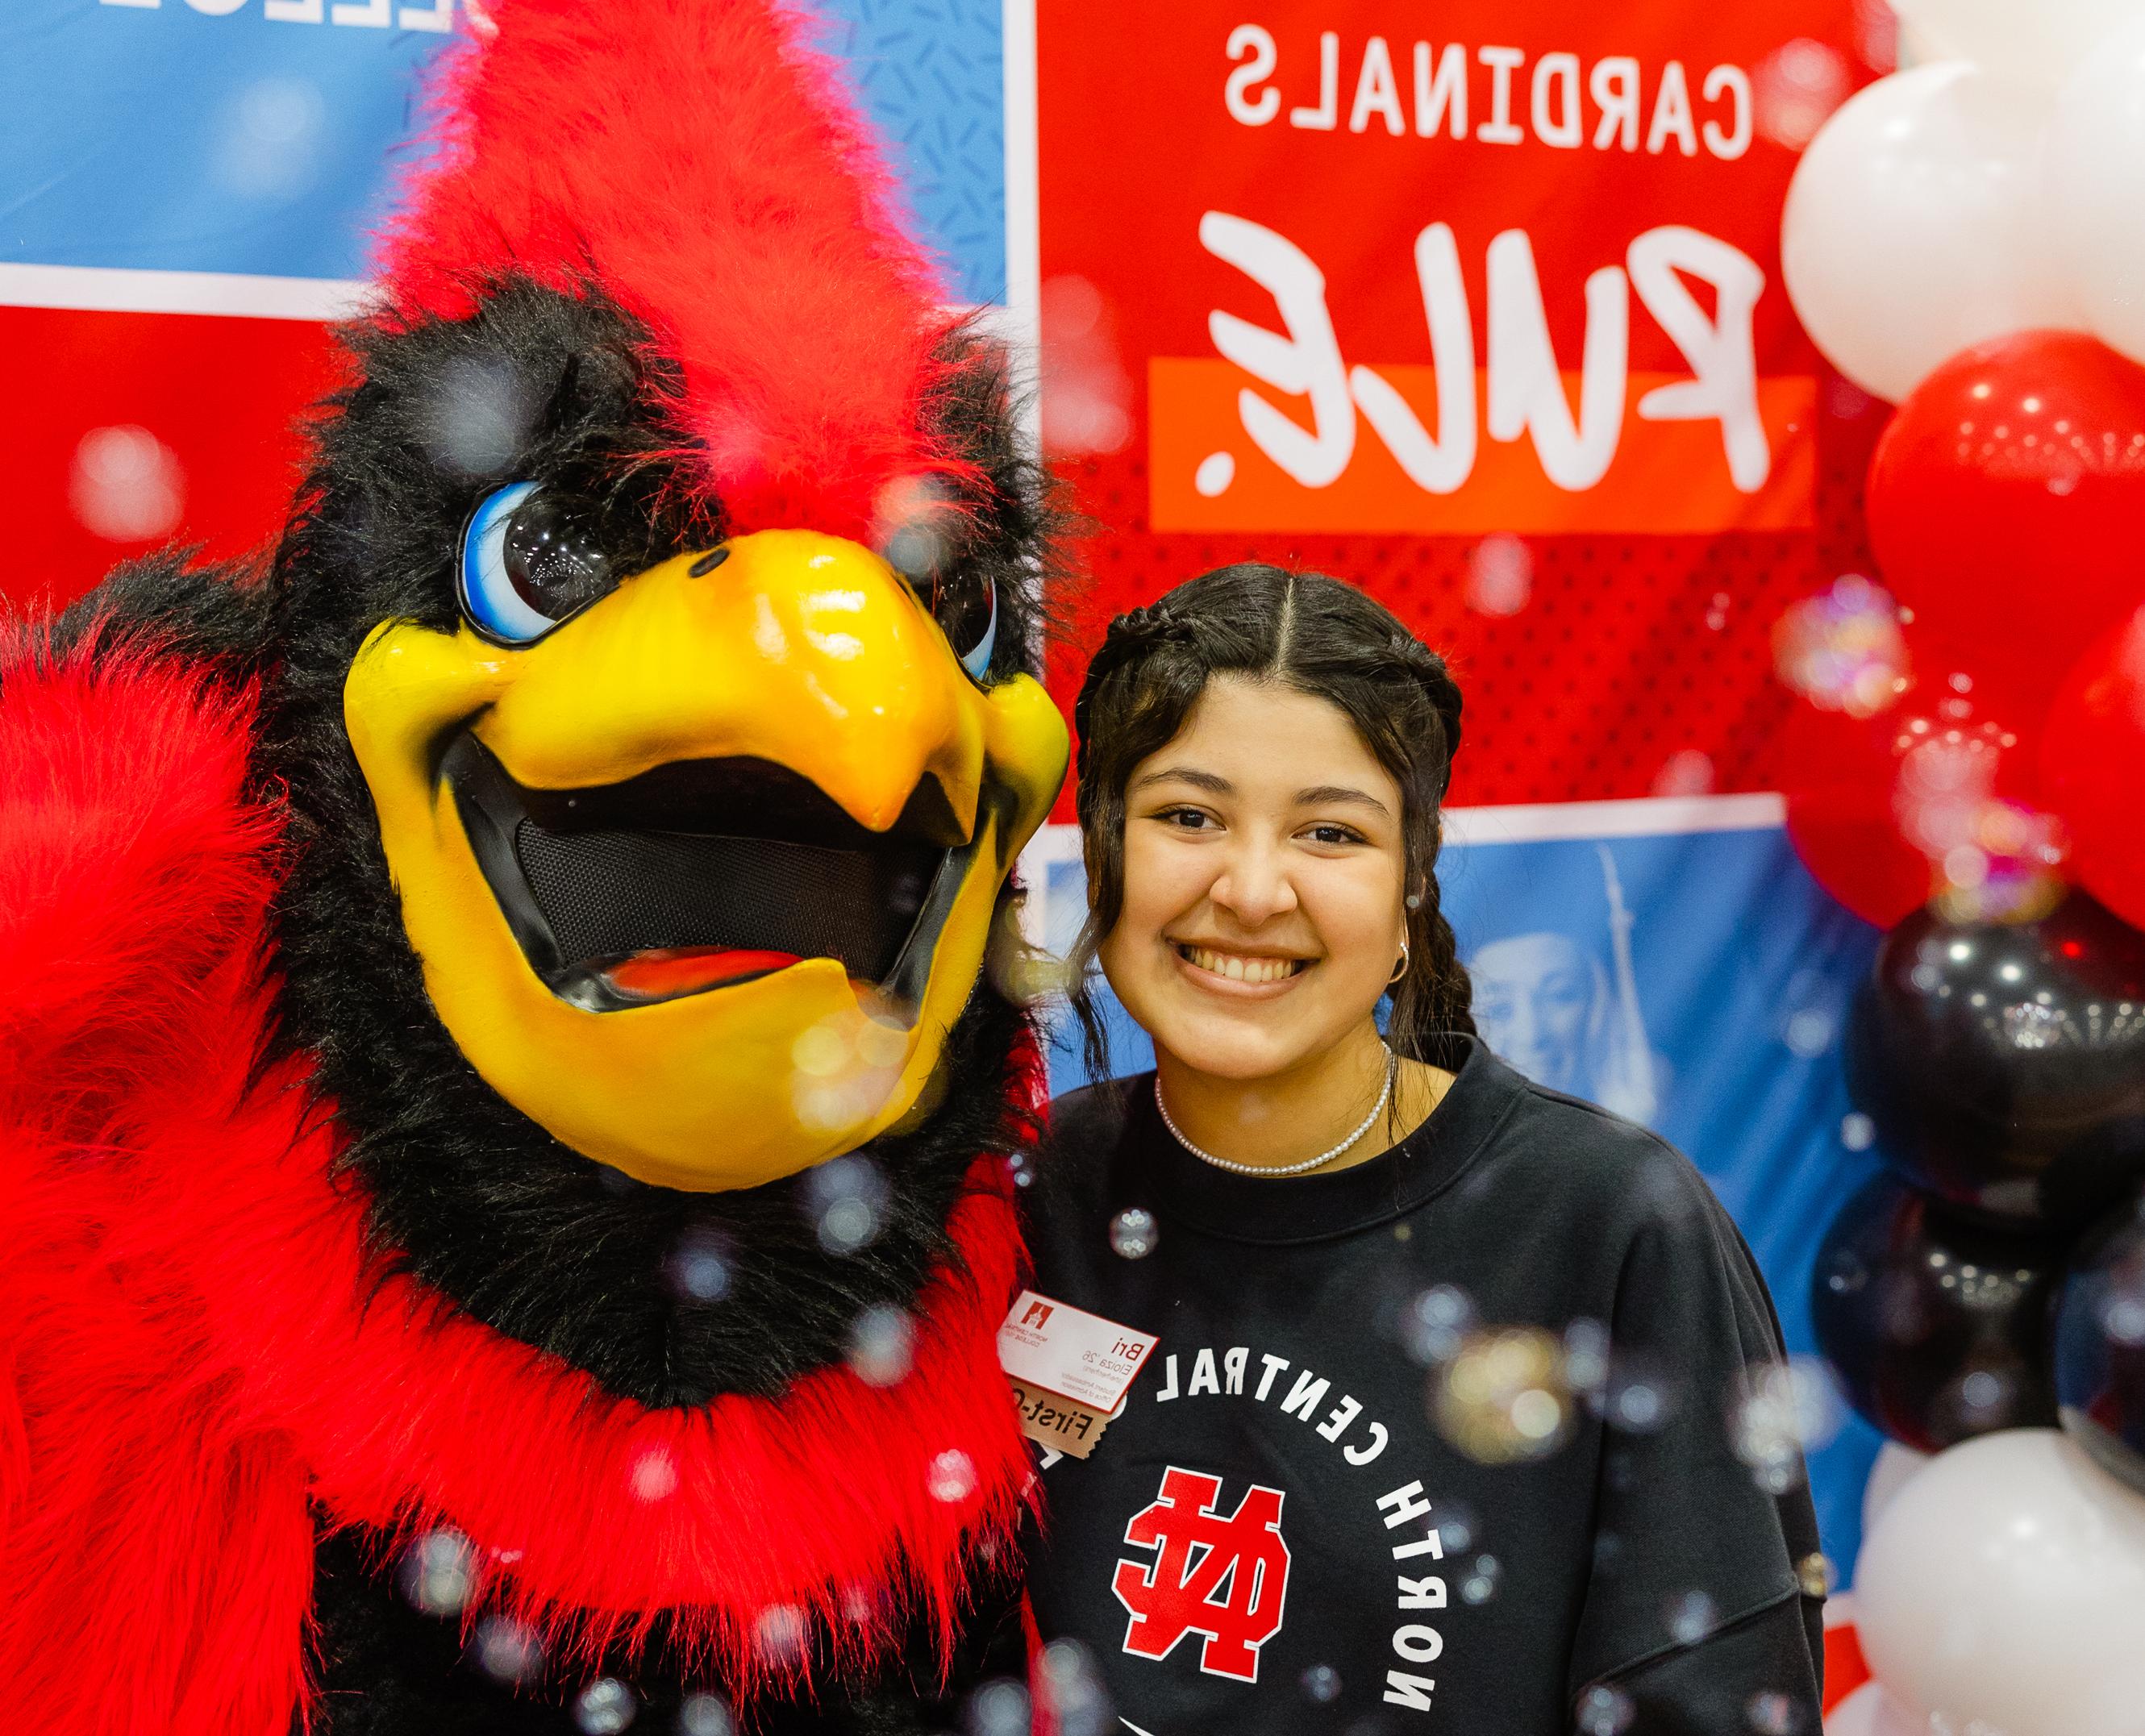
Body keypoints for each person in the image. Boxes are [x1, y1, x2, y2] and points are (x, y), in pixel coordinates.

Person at [1022, 564, 1824, 1735]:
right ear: (1102, 849)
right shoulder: (1028, 1189)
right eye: (1187, 815)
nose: (1250, 888)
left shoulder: (1608, 1224)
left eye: (1330, 832)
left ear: (1410, 892)